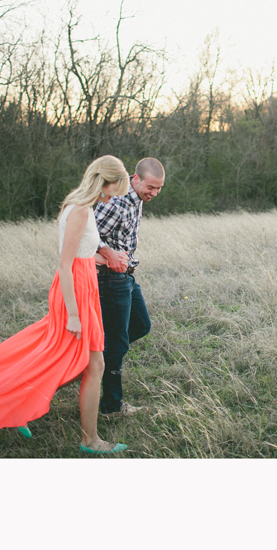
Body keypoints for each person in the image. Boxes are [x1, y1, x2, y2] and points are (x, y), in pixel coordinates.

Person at [0, 156, 131, 454]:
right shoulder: (81, 210)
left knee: (59, 356)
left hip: (84, 283)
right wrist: (73, 313)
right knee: (93, 364)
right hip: (76, 290)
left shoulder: (81, 206)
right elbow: (64, 265)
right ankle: (90, 441)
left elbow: (81, 255)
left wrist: (106, 258)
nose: (113, 195)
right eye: (114, 188)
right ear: (103, 181)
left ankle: (18, 406)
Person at [95, 157, 165, 417]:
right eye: (151, 187)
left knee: (141, 325)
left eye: (159, 188)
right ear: (135, 179)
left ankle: (97, 361)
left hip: (127, 277)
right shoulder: (118, 201)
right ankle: (112, 406)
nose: (154, 193)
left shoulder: (136, 200)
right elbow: (86, 233)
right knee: (117, 343)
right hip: (111, 280)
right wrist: (107, 252)